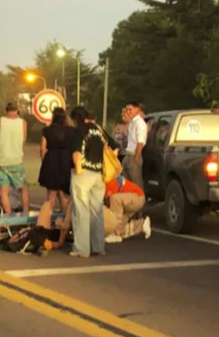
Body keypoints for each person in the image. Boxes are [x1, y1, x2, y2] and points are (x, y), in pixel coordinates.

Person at [69, 106, 107, 258]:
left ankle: (81, 249)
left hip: (83, 173)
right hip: (99, 174)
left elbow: (77, 153)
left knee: (81, 211)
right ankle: (98, 246)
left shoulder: (80, 131)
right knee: (96, 211)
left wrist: (78, 170)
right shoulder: (99, 131)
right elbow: (115, 148)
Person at [0, 102, 30, 215]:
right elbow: (23, 140)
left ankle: (8, 213)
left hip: (2, 161)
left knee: (3, 191)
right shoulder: (23, 123)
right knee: (23, 188)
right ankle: (25, 212)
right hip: (16, 160)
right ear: (17, 111)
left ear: (6, 111)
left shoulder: (0, 122)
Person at [38, 107, 74, 215]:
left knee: (51, 194)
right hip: (66, 161)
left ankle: (48, 221)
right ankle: (65, 220)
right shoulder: (71, 131)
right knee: (63, 194)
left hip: (51, 160)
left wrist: (45, 161)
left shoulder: (47, 130)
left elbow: (42, 149)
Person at [103, 174, 150, 243]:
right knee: (121, 227)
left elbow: (112, 206)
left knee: (115, 200)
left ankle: (115, 234)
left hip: (137, 196)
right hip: (130, 200)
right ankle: (141, 225)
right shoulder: (107, 183)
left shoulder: (109, 184)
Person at [122, 101, 147, 188]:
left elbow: (140, 142)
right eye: (127, 110)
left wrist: (136, 157)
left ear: (137, 110)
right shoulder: (132, 122)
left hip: (134, 155)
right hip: (128, 155)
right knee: (126, 183)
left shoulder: (140, 123)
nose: (128, 112)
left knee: (136, 183)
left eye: (130, 110)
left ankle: (140, 201)